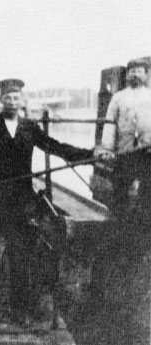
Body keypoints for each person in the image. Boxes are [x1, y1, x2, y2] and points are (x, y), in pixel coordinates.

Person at [0, 79, 93, 325]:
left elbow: (55, 147)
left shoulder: (29, 128)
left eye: (16, 98)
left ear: (22, 100)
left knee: (19, 256)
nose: (12, 102)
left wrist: (89, 155)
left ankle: (19, 310)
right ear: (0, 100)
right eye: (7, 98)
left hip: (20, 202)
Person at [92, 58, 151, 298]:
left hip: (147, 153)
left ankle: (144, 233)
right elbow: (109, 125)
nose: (135, 74)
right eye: (131, 71)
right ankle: (118, 230)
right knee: (120, 194)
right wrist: (106, 148)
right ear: (127, 75)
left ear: (146, 74)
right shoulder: (118, 97)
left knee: (147, 194)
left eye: (140, 71)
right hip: (125, 153)